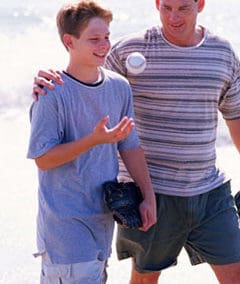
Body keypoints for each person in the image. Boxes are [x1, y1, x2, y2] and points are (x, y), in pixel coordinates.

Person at [32, 0, 240, 283]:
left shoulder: (222, 52)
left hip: (208, 190)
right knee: (144, 279)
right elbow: (83, 69)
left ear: (200, 4)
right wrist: (45, 79)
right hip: (153, 190)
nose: (174, 16)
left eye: (183, 8)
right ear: (156, 4)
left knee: (238, 274)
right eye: (166, 7)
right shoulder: (130, 49)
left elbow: (238, 115)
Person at [27, 1, 156, 283]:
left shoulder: (119, 86)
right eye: (94, 39)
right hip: (64, 231)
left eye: (107, 37)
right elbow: (43, 159)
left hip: (102, 224)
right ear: (69, 41)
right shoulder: (52, 93)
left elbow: (130, 145)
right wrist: (93, 140)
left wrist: (149, 196)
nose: (104, 45)